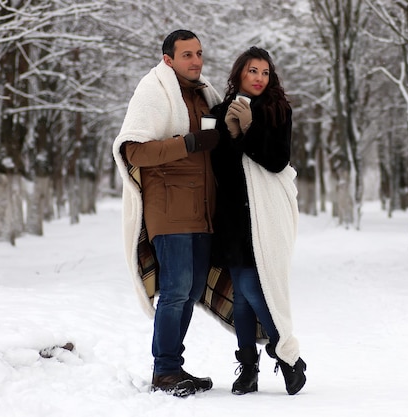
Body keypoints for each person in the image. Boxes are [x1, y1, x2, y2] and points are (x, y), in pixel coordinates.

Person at [112, 29, 222, 398]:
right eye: (187, 54)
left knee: (190, 292)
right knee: (175, 291)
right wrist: (188, 142)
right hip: (170, 208)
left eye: (200, 53)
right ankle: (164, 371)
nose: (196, 60)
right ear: (168, 59)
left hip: (204, 210)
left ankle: (174, 366)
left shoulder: (205, 95)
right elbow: (134, 151)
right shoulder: (153, 91)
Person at [210, 46, 307, 396]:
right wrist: (232, 135)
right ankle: (249, 368)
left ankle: (287, 356)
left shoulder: (278, 111)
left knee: (252, 287)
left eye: (265, 73)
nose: (259, 78)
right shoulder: (220, 112)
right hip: (233, 214)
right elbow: (218, 168)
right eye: (253, 71)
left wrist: (250, 129)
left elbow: (277, 161)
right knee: (242, 295)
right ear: (239, 74)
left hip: (264, 213)